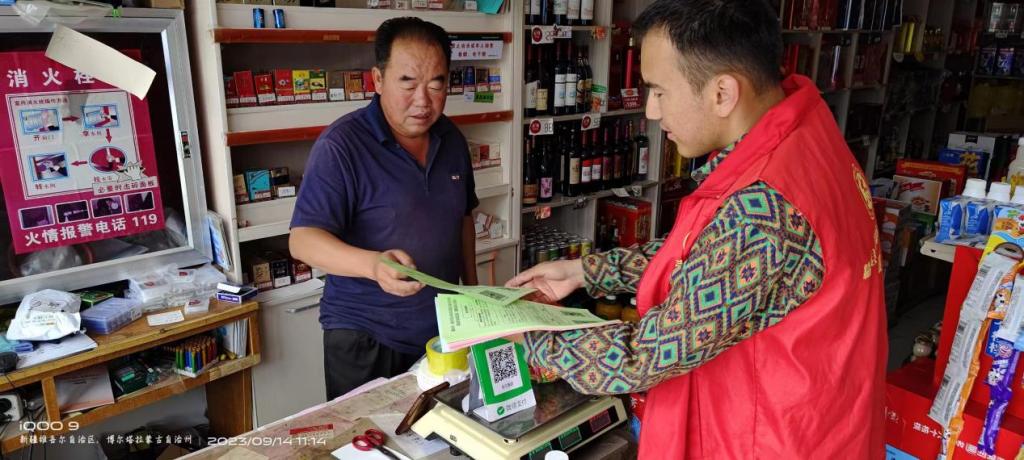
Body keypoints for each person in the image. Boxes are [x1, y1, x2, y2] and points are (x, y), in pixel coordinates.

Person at [506, 0, 886, 457]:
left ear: (722, 93)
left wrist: (532, 338)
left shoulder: (763, 208)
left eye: (659, 91)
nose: (651, 111)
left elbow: (648, 355)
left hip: (769, 438)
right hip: (824, 417)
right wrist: (587, 271)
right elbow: (709, 254)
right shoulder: (804, 137)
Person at [290, 17, 478, 400]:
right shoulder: (342, 145)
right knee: (370, 434)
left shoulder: (451, 138)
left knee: (440, 429)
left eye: (436, 84)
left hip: (441, 331)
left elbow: (462, 219)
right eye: (407, 82)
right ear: (378, 80)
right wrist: (374, 265)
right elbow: (303, 240)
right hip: (367, 337)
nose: (423, 100)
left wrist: (473, 294)